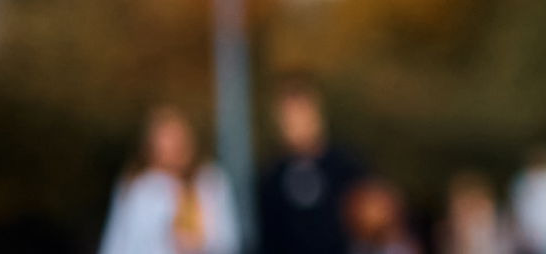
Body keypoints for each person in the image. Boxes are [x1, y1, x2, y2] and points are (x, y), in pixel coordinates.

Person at [99, 106, 240, 254]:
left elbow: (227, 239)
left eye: (176, 142)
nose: (171, 150)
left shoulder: (210, 181)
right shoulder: (139, 186)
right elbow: (119, 241)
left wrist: (194, 243)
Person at [256, 78, 368, 254]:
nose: (297, 124)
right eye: (289, 117)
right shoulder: (269, 179)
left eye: (302, 114)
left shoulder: (345, 166)